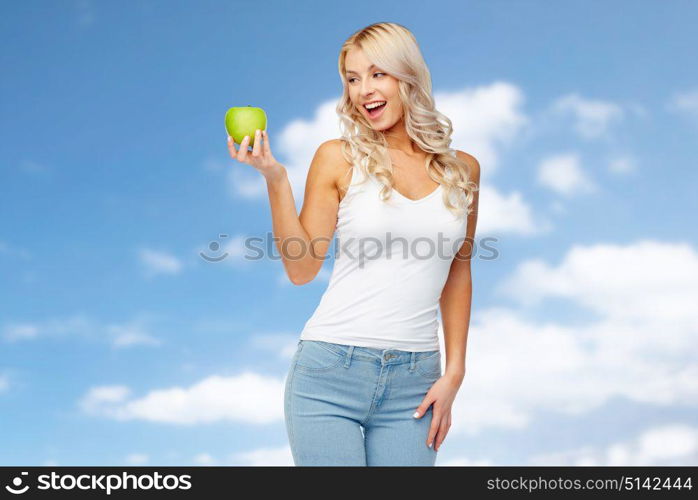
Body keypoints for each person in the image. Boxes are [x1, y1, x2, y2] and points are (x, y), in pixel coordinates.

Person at [227, 22, 480, 466]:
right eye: (352, 78)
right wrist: (275, 178)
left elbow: (458, 270)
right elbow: (301, 270)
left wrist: (454, 371)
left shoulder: (464, 170)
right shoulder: (337, 157)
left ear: (409, 76)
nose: (364, 90)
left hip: (416, 382)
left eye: (378, 73)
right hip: (328, 374)